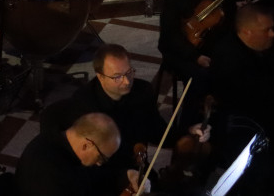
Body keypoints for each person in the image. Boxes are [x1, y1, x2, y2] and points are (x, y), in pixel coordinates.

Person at [67, 44, 208, 196]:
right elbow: (84, 161)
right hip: (102, 174)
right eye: (117, 77)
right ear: (100, 76)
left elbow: (158, 131)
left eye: (129, 72)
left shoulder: (143, 91)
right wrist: (123, 175)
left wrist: (189, 131)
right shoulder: (84, 103)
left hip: (138, 165)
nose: (127, 81)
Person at [209, 3, 274, 194]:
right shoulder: (227, 55)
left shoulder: (271, 44)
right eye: (267, 30)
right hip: (244, 121)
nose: (272, 34)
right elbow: (250, 93)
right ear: (247, 32)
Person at [159, 0, 230, 99]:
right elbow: (170, 34)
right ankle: (191, 118)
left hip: (210, 45)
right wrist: (195, 56)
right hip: (181, 50)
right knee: (199, 76)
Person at [16, 112, 122, 196]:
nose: (99, 164)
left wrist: (124, 175)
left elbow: (91, 175)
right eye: (101, 158)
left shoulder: (57, 137)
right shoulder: (53, 174)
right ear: (86, 145)